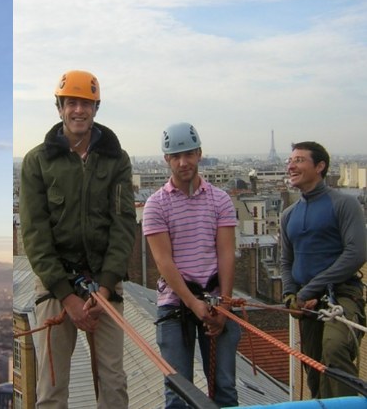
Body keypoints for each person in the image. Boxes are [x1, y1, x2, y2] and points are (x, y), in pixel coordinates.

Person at [19, 70, 136, 409]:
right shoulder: (38, 162)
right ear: (60, 109)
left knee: (113, 382)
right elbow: (34, 233)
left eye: (86, 103)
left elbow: (123, 224)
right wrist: (67, 296)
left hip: (104, 280)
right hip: (58, 284)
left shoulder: (116, 160)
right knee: (52, 388)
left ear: (95, 109)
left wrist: (105, 287)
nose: (79, 111)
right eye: (72, 103)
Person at [143, 122, 240, 409]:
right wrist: (193, 303)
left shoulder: (220, 200)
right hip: (176, 303)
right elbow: (164, 262)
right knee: (178, 393)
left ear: (199, 154)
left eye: (188, 154)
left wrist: (223, 305)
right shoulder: (156, 205)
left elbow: (225, 254)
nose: (183, 162)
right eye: (176, 157)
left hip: (214, 297)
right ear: (166, 160)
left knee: (224, 388)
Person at [280, 141, 366, 399]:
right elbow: (286, 261)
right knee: (314, 368)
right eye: (290, 160)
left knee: (335, 347)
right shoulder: (289, 214)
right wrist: (289, 296)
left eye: (299, 160)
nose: (291, 165)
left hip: (340, 294)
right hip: (307, 302)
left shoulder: (343, 204)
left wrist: (308, 290)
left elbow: (356, 254)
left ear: (320, 166)